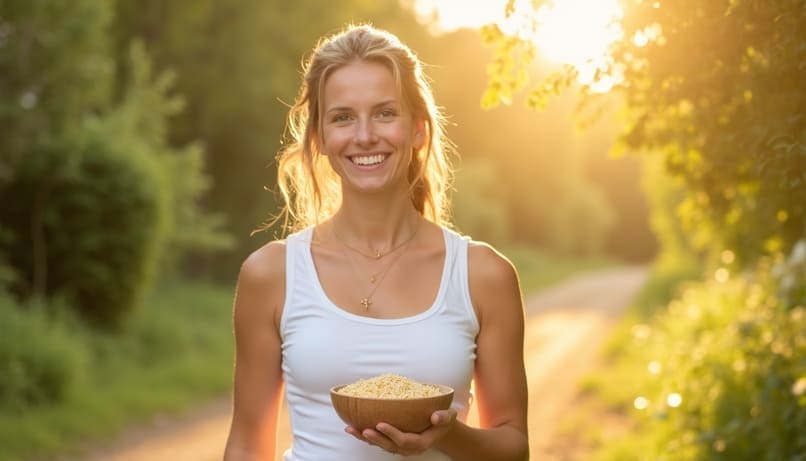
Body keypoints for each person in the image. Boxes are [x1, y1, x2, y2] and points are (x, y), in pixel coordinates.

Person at [224, 24, 529, 461]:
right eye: (343, 117)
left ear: (419, 130)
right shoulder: (271, 274)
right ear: (320, 138)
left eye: (385, 113)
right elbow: (246, 444)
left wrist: (444, 434)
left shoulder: (483, 275)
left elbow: (514, 445)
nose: (364, 135)